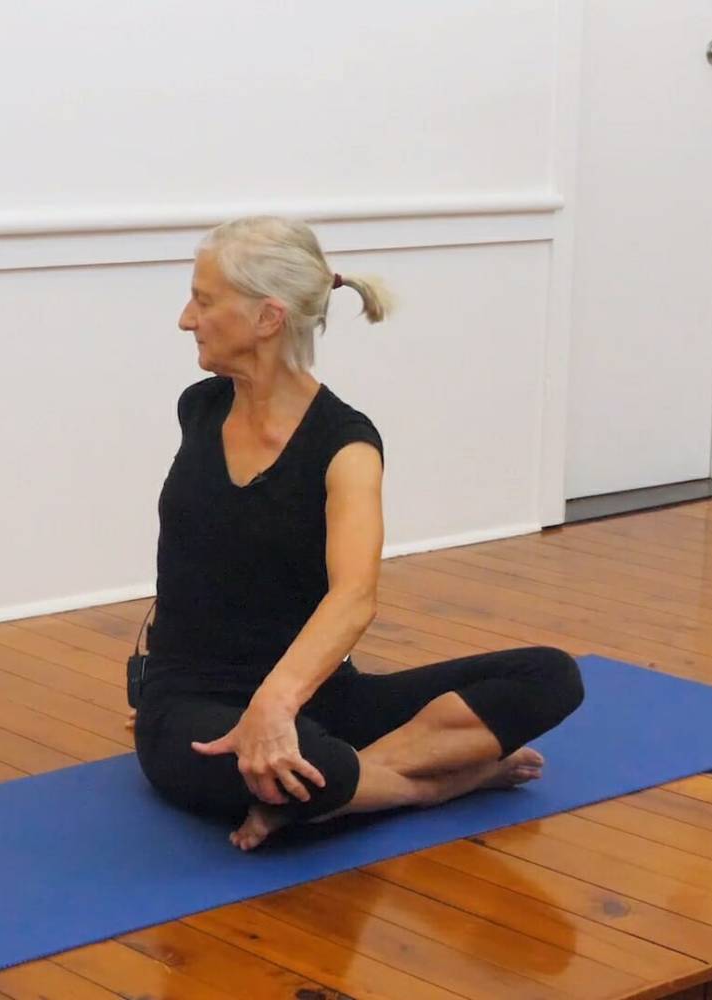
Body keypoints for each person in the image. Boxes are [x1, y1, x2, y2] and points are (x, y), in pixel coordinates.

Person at [131, 215, 584, 850]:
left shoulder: (346, 446)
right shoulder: (199, 410)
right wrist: (255, 719)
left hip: (317, 694)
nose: (186, 318)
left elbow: (354, 596)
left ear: (268, 317)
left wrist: (276, 704)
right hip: (189, 704)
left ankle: (338, 792)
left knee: (551, 676)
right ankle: (426, 785)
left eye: (204, 301)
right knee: (297, 766)